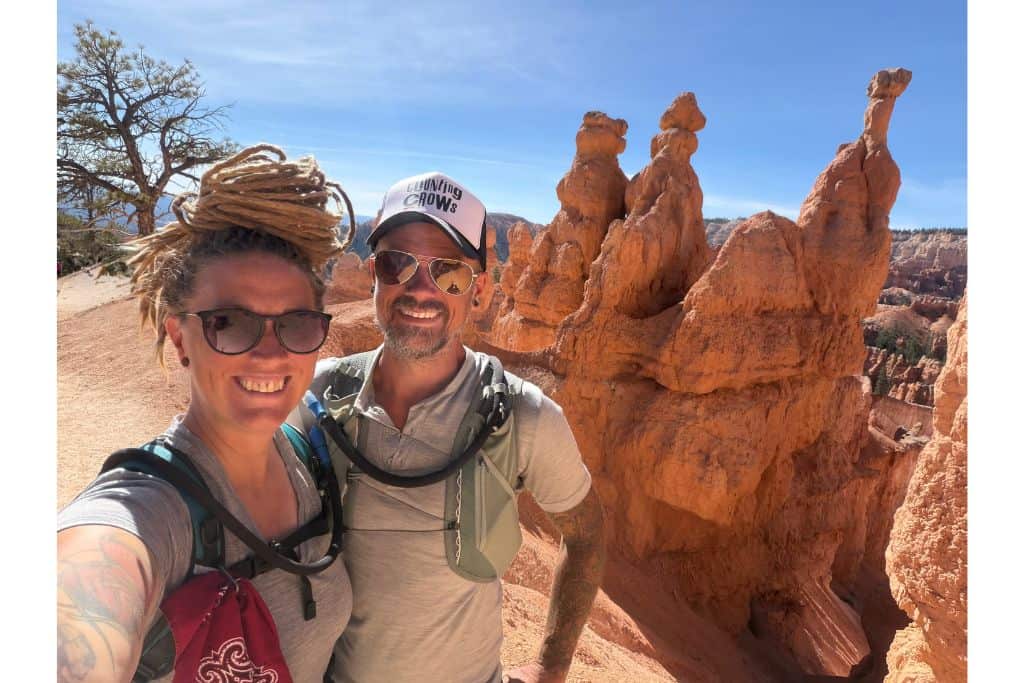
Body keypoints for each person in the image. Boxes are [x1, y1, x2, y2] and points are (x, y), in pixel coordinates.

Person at [57, 145, 354, 683]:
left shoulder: (311, 459)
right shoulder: (151, 509)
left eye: (298, 323)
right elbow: (82, 600)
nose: (270, 353)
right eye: (230, 323)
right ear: (180, 339)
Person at [300, 171, 607, 683]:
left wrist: (552, 666)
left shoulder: (523, 416)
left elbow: (588, 534)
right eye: (398, 263)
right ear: (374, 272)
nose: (421, 290)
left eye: (451, 273)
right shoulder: (315, 398)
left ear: (481, 291)